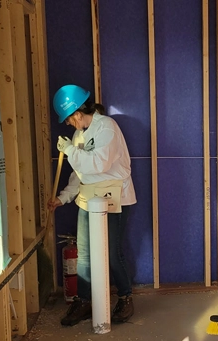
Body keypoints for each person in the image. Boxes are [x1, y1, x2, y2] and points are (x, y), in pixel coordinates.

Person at [48, 84, 137, 326]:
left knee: (112, 252)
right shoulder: (79, 136)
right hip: (88, 198)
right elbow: (79, 174)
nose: (68, 124)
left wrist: (68, 150)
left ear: (77, 112)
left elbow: (98, 164)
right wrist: (63, 197)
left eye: (68, 119)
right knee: (85, 255)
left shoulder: (107, 127)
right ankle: (85, 301)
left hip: (114, 196)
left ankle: (126, 298)